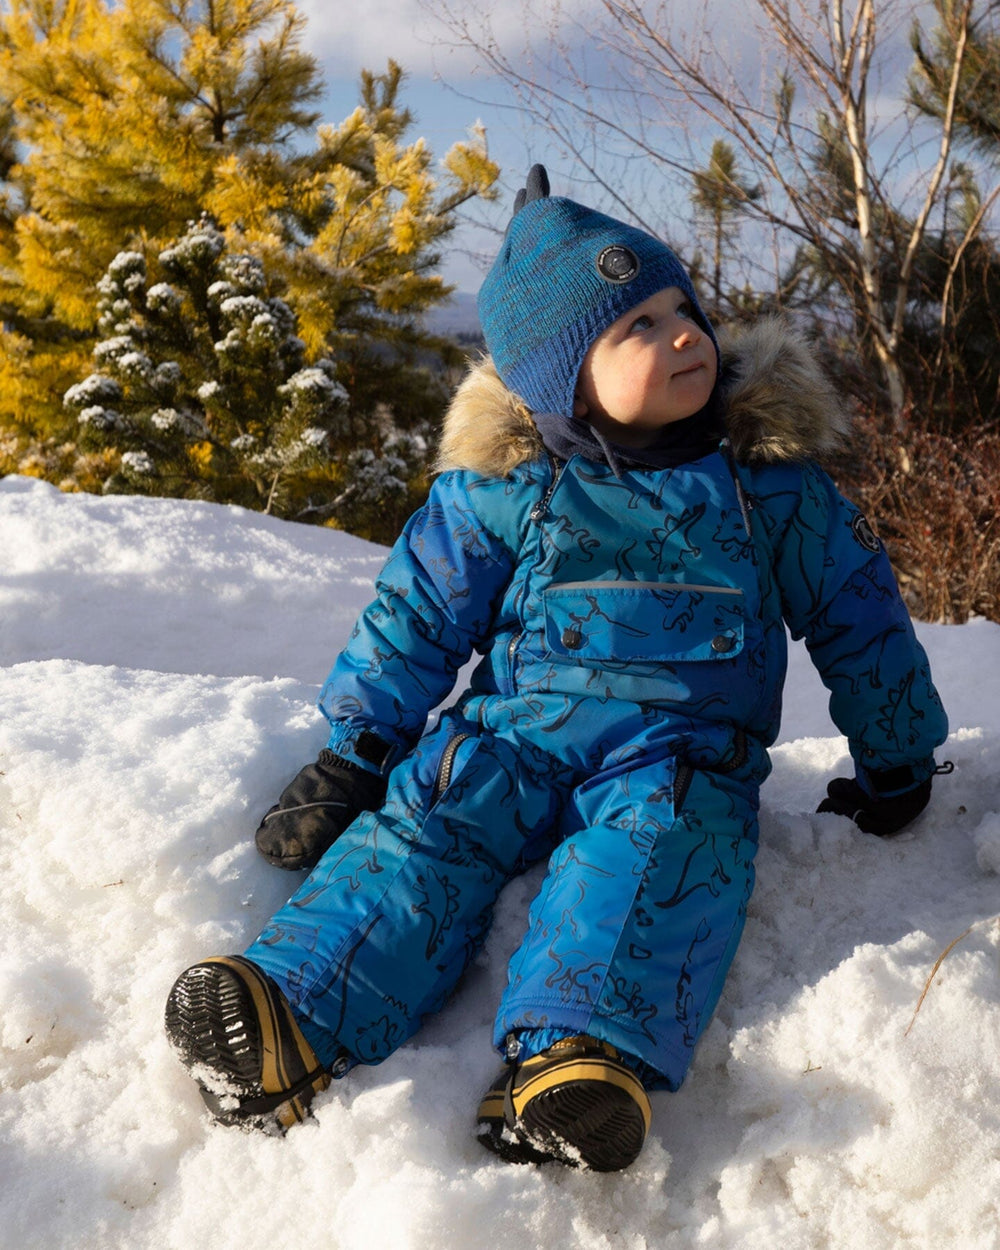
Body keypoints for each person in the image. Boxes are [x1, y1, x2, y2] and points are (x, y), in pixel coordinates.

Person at [164, 166, 949, 1172]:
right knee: (425, 833)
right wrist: (360, 744)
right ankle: (291, 1008)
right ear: (558, 376)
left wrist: (897, 751)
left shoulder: (768, 486)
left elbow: (858, 612)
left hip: (675, 754)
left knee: (656, 863)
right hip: (511, 733)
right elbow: (419, 612)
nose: (681, 334)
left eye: (681, 308)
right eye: (635, 326)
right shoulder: (508, 487)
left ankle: (576, 1059)